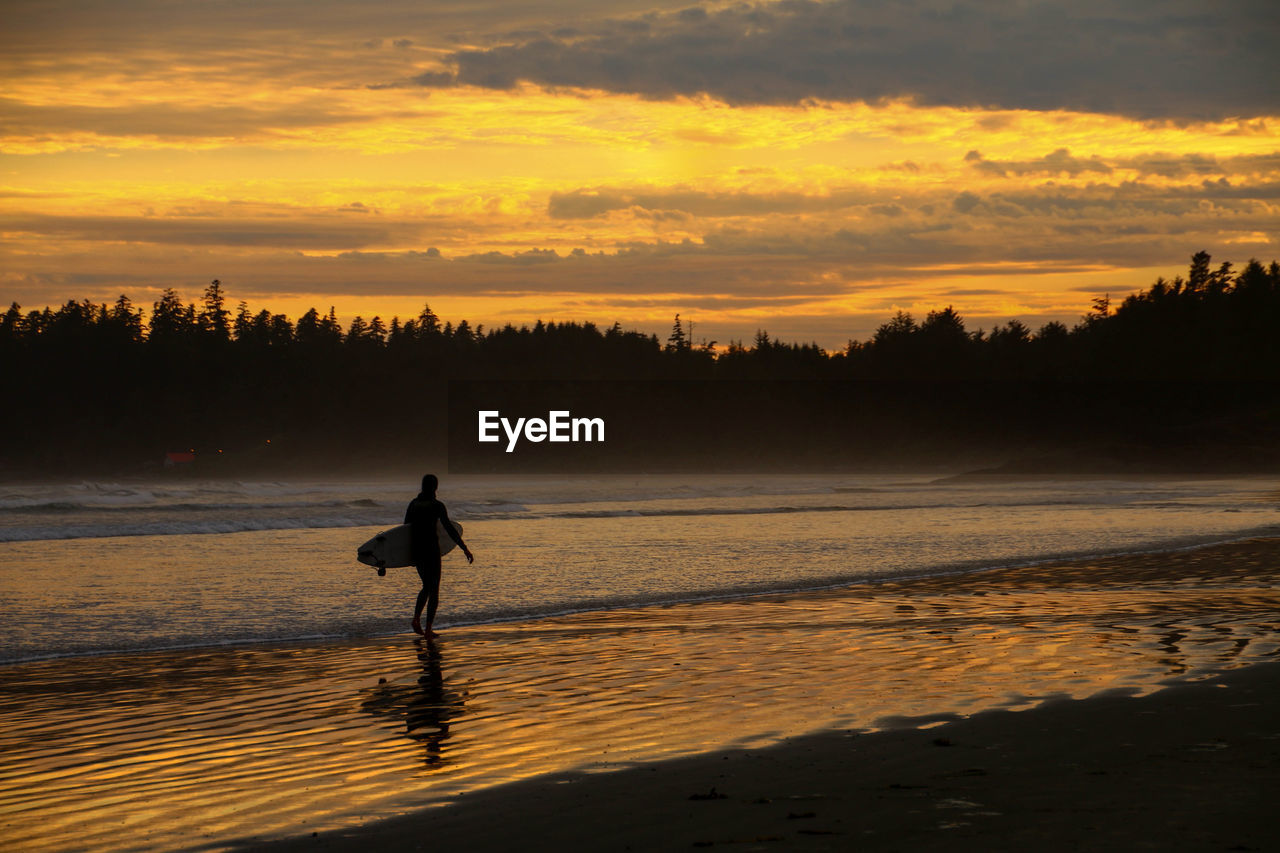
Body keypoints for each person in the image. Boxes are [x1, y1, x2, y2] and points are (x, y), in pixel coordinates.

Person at [404, 474, 473, 637]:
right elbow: (449, 528)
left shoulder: (413, 504)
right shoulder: (437, 505)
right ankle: (428, 628)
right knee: (433, 588)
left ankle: (416, 619)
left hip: (417, 550)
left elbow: (405, 528)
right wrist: (464, 548)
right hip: (431, 550)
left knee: (426, 586)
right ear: (435, 487)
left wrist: (409, 554)